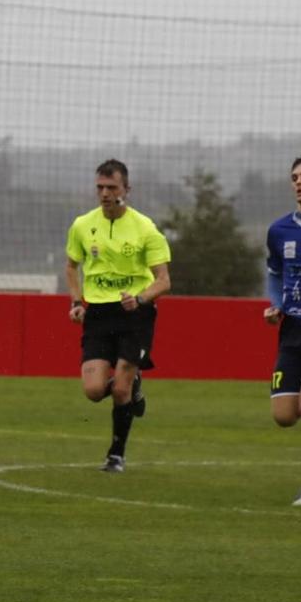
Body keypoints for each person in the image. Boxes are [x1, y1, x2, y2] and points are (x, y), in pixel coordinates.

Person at [64, 159, 171, 473]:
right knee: (94, 390)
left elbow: (164, 280)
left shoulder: (145, 228)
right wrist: (75, 301)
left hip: (135, 313)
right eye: (100, 187)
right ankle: (130, 383)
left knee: (120, 389)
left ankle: (116, 454)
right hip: (98, 313)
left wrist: (138, 298)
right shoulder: (83, 225)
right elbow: (71, 266)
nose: (105, 193)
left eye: (112, 187)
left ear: (127, 189)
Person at [262, 156, 301, 504]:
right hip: (292, 331)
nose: (299, 183)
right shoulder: (279, 231)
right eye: (294, 177)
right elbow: (275, 274)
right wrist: (275, 305)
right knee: (284, 414)